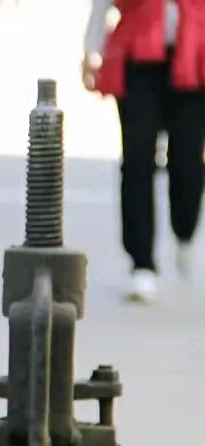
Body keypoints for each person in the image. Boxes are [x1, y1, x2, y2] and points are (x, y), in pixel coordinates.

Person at [82, 0, 205, 303]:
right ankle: (142, 263)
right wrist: (90, 51)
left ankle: (185, 229)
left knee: (188, 161)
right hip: (137, 61)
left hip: (195, 57)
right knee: (137, 160)